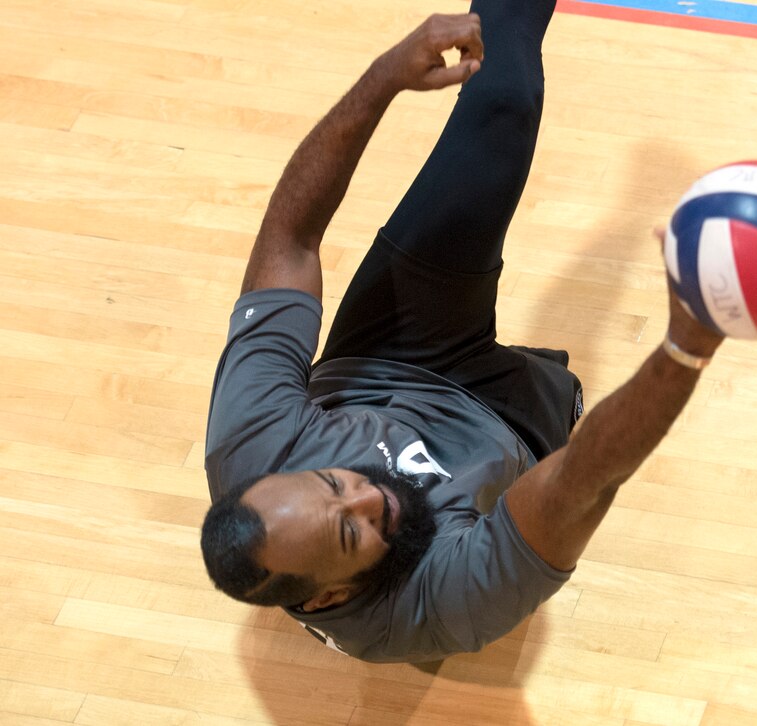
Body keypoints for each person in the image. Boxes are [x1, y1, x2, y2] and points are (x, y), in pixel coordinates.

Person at [200, 0, 724, 664]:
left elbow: (291, 242)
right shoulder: (436, 607)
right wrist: (690, 343)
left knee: (501, 102)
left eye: (333, 483)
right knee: (579, 463)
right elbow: (583, 481)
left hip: (387, 351)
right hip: (514, 427)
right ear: (328, 598)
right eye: (353, 533)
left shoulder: (252, 444)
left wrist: (384, 76)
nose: (369, 495)